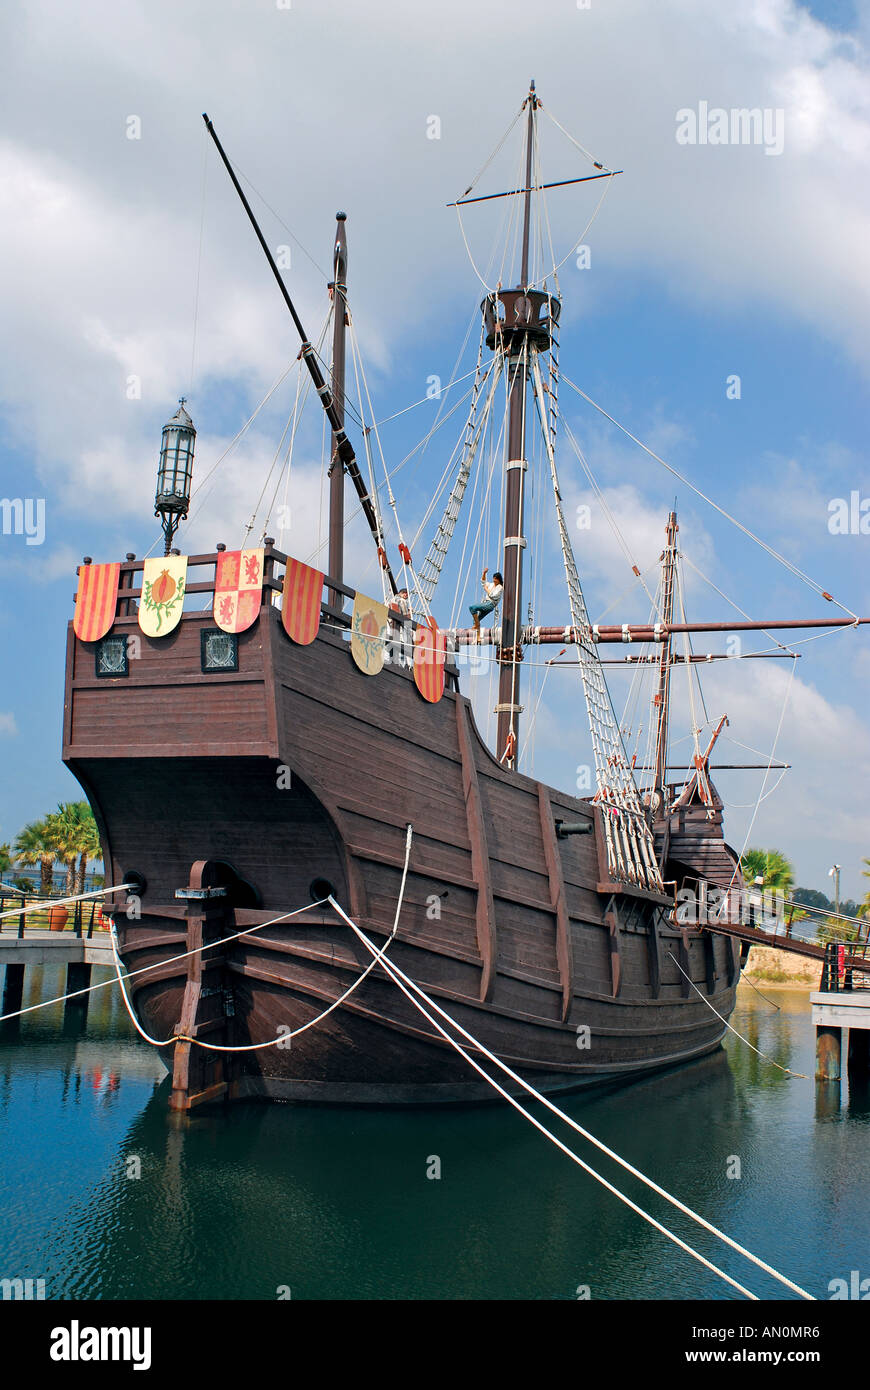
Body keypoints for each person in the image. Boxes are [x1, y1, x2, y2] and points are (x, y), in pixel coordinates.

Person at [469, 568, 504, 633]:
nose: (494, 581)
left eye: (495, 580)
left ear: (499, 580)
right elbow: (483, 582)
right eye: (493, 579)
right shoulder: (491, 584)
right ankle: (478, 635)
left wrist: (486, 589)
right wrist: (484, 573)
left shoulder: (500, 587)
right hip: (486, 603)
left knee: (472, 608)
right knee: (475, 620)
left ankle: (477, 625)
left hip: (490, 604)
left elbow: (493, 595)